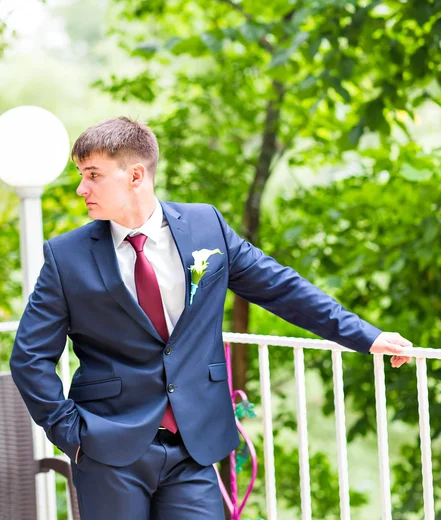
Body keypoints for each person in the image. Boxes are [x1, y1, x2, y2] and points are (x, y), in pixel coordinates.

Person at [9, 116, 412, 520]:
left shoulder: (207, 227)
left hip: (195, 446)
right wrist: (72, 435)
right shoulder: (67, 256)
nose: (82, 188)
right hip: (107, 448)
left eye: (93, 175)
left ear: (135, 175)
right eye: (81, 175)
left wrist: (366, 336)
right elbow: (29, 357)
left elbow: (282, 289)